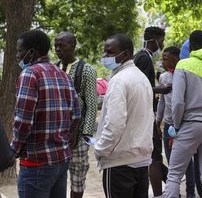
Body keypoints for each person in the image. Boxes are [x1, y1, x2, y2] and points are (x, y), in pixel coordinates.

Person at [11, 30, 81, 198]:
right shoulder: (63, 75)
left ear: (32, 52)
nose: (18, 55)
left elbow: (23, 121)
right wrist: (64, 141)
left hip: (36, 162)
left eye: (20, 51)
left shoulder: (30, 74)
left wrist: (14, 149)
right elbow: (76, 115)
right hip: (60, 160)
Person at [165, 30, 202, 197]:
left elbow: (177, 102)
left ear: (190, 46)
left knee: (175, 174)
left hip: (190, 124)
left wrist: (176, 126)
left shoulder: (183, 65)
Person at [94, 34, 154, 198]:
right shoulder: (141, 78)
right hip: (140, 159)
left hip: (120, 162)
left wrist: (100, 149)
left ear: (126, 54)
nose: (105, 57)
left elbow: (114, 124)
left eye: (110, 52)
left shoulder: (119, 80)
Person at [54, 32, 98, 198]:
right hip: (57, 135)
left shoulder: (86, 70)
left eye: (62, 45)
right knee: (56, 177)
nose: (58, 49)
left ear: (72, 46)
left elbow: (92, 105)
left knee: (77, 178)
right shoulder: (53, 67)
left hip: (78, 137)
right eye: (56, 45)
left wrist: (84, 134)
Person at [133, 26, 170, 197]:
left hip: (147, 115)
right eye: (161, 40)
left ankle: (169, 183)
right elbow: (141, 87)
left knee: (154, 154)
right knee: (154, 157)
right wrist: (161, 89)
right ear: (154, 38)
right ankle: (158, 194)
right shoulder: (143, 58)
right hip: (143, 115)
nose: (162, 44)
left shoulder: (144, 57)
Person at [156, 46, 196, 198]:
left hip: (184, 124)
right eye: (162, 59)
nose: (163, 62)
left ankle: (190, 193)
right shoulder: (164, 77)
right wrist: (157, 121)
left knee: (187, 161)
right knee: (172, 161)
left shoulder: (185, 74)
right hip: (168, 125)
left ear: (175, 58)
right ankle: (175, 193)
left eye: (165, 59)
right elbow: (162, 102)